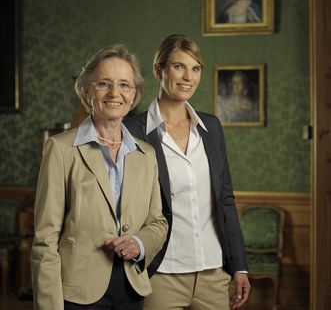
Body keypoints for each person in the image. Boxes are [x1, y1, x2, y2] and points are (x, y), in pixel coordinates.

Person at [31, 44, 168, 310]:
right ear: (87, 90)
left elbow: (158, 222)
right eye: (104, 83)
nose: (115, 93)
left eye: (124, 85)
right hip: (77, 293)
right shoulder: (60, 150)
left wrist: (139, 243)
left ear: (134, 95)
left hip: (131, 287)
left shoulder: (146, 154)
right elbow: (45, 239)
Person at [124, 34, 251, 310]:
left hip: (213, 274)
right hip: (160, 275)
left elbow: (226, 200)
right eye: (179, 66)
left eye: (195, 69)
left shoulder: (211, 127)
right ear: (159, 70)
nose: (188, 77)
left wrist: (239, 266)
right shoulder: (133, 131)